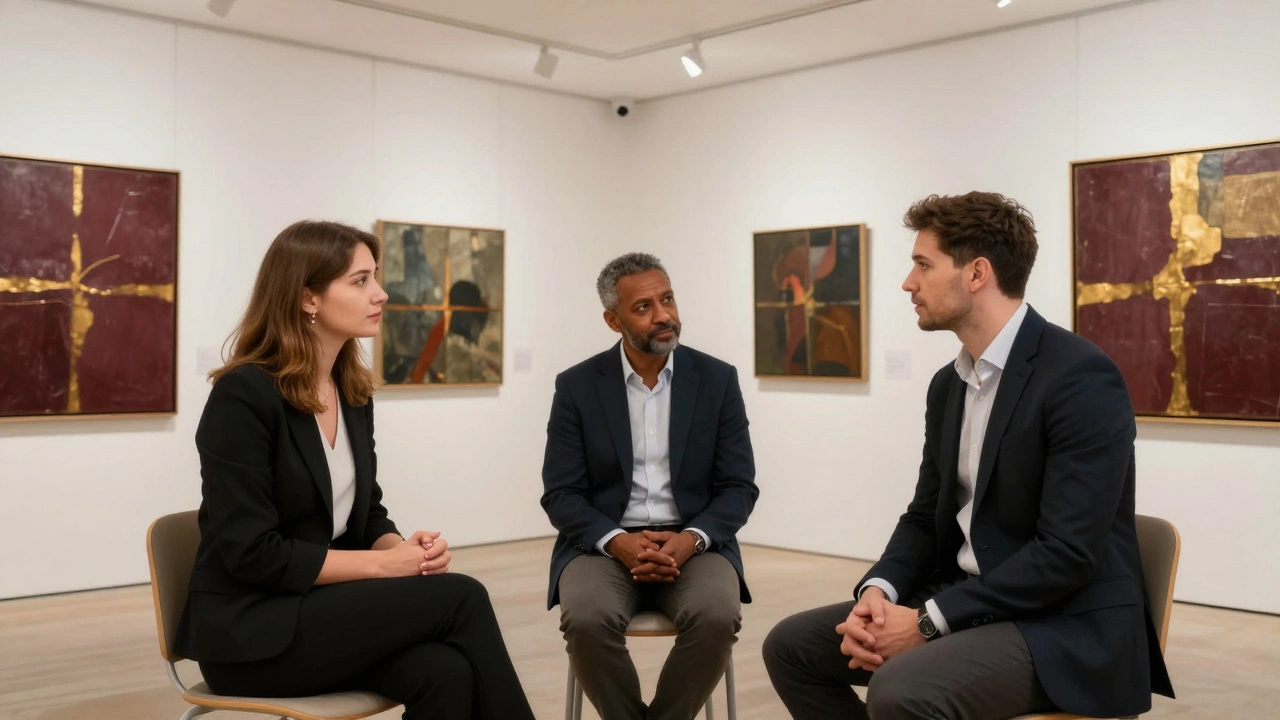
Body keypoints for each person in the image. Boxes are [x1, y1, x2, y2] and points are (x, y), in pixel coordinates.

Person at [762, 192, 1174, 719]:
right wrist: (879, 591)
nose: (908, 283)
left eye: (922, 265)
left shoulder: (1080, 378)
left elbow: (1067, 554)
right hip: (974, 599)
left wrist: (929, 620)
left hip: (1063, 625)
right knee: (792, 647)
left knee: (902, 690)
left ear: (976, 273)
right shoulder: (949, 385)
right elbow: (924, 515)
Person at [175, 220, 536, 720]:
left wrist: (403, 549)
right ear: (308, 299)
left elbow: (366, 515)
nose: (381, 294)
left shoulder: (350, 392)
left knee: (445, 671)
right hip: (251, 632)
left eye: (376, 277)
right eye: (360, 280)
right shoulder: (243, 395)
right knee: (462, 597)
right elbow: (251, 553)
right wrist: (386, 567)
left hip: (317, 613)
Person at [540, 252, 759, 720]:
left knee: (718, 616)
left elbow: (739, 485)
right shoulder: (577, 386)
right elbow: (561, 493)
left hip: (696, 542)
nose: (664, 316)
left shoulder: (717, 380)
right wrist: (616, 541)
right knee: (586, 619)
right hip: (602, 544)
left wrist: (692, 539)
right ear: (612, 320)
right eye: (644, 307)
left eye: (668, 299)